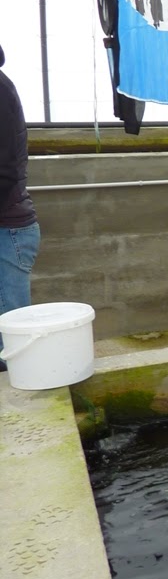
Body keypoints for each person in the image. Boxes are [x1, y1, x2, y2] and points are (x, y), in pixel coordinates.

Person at [0, 42, 40, 354]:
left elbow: (6, 169)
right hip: (9, 224)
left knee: (11, 332)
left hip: (7, 228)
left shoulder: (0, 90)